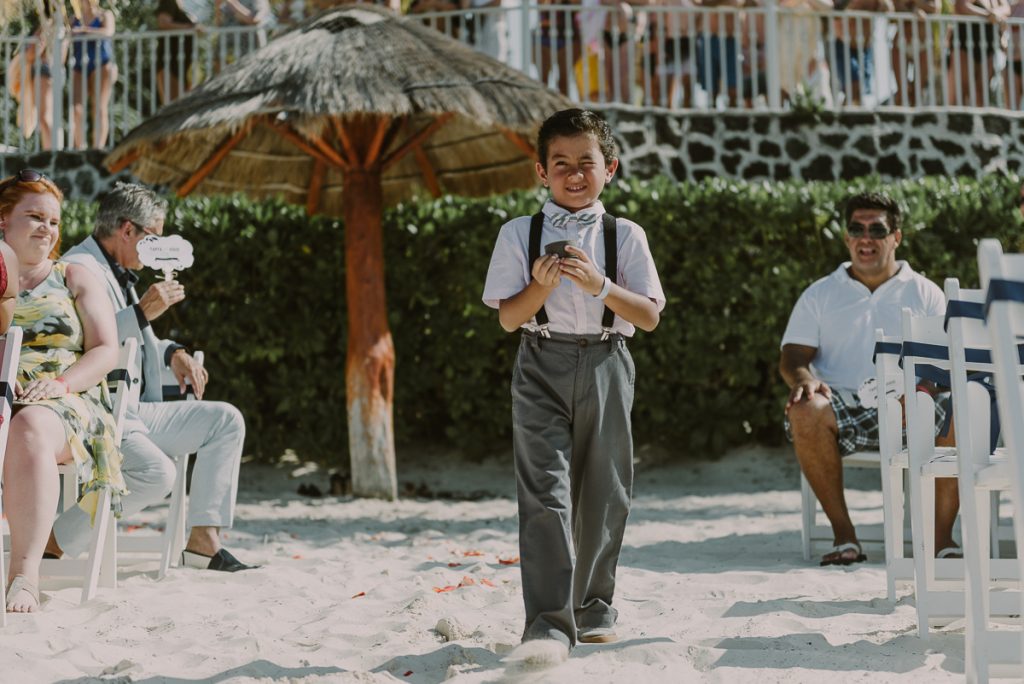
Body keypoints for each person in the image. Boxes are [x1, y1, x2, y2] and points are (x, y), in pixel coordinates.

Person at [482, 109, 665, 664]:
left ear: (609, 168)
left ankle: (592, 605)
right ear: (541, 171)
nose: (574, 174)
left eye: (586, 162)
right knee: (545, 493)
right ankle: (547, 621)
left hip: (609, 363)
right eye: (560, 163)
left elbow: (650, 316)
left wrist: (600, 284)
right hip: (540, 362)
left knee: (607, 490)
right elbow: (509, 318)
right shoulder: (519, 233)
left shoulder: (625, 235)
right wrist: (540, 287)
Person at [48, 183, 254, 573]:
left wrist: (172, 351)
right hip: (103, 410)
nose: (158, 246)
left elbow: (141, 341)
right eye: (154, 237)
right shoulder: (78, 268)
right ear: (128, 230)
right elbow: (84, 341)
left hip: (139, 407)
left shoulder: (118, 270)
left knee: (225, 419)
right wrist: (142, 312)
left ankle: (203, 543)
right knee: (159, 474)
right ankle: (55, 541)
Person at [780, 192, 960, 566]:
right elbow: (793, 357)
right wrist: (803, 379)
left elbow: (947, 362)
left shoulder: (926, 292)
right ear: (846, 238)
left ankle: (942, 540)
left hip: (915, 404)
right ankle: (845, 537)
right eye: (856, 228)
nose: (866, 237)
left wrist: (921, 390)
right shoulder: (820, 293)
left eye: (877, 229)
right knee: (805, 409)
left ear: (896, 236)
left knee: (960, 408)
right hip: (845, 406)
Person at [0, 170, 124, 613]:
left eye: (52, 221)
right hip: (2, 389)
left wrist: (58, 384)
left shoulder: (73, 275)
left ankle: (24, 575)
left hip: (66, 398)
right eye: (34, 217)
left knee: (29, 425)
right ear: (2, 222)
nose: (46, 229)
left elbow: (106, 349)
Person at [70, 0, 118, 149]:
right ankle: (81, 149)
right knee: (76, 109)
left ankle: (98, 148)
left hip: (101, 63)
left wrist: (84, 30)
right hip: (79, 65)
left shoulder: (105, 15)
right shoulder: (74, 19)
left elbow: (109, 32)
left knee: (99, 107)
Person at [948, 0, 1009, 106]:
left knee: (982, 90)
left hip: (987, 44)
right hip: (965, 42)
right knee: (962, 88)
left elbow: (1006, 8)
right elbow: (961, 6)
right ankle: (958, 120)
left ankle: (979, 121)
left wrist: (996, 13)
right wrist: (987, 15)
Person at [156, 0, 203, 104]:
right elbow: (163, 22)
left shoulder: (182, 5)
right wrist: (190, 28)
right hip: (171, 63)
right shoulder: (169, 2)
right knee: (173, 107)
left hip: (184, 64)